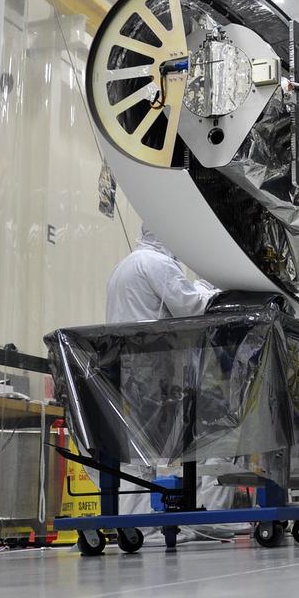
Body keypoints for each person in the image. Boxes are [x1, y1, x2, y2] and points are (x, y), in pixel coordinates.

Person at [106, 225, 238, 539]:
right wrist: (217, 287)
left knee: (137, 455)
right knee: (215, 437)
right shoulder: (157, 264)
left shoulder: (125, 266)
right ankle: (207, 518)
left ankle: (134, 524)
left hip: (127, 374)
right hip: (154, 374)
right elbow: (193, 307)